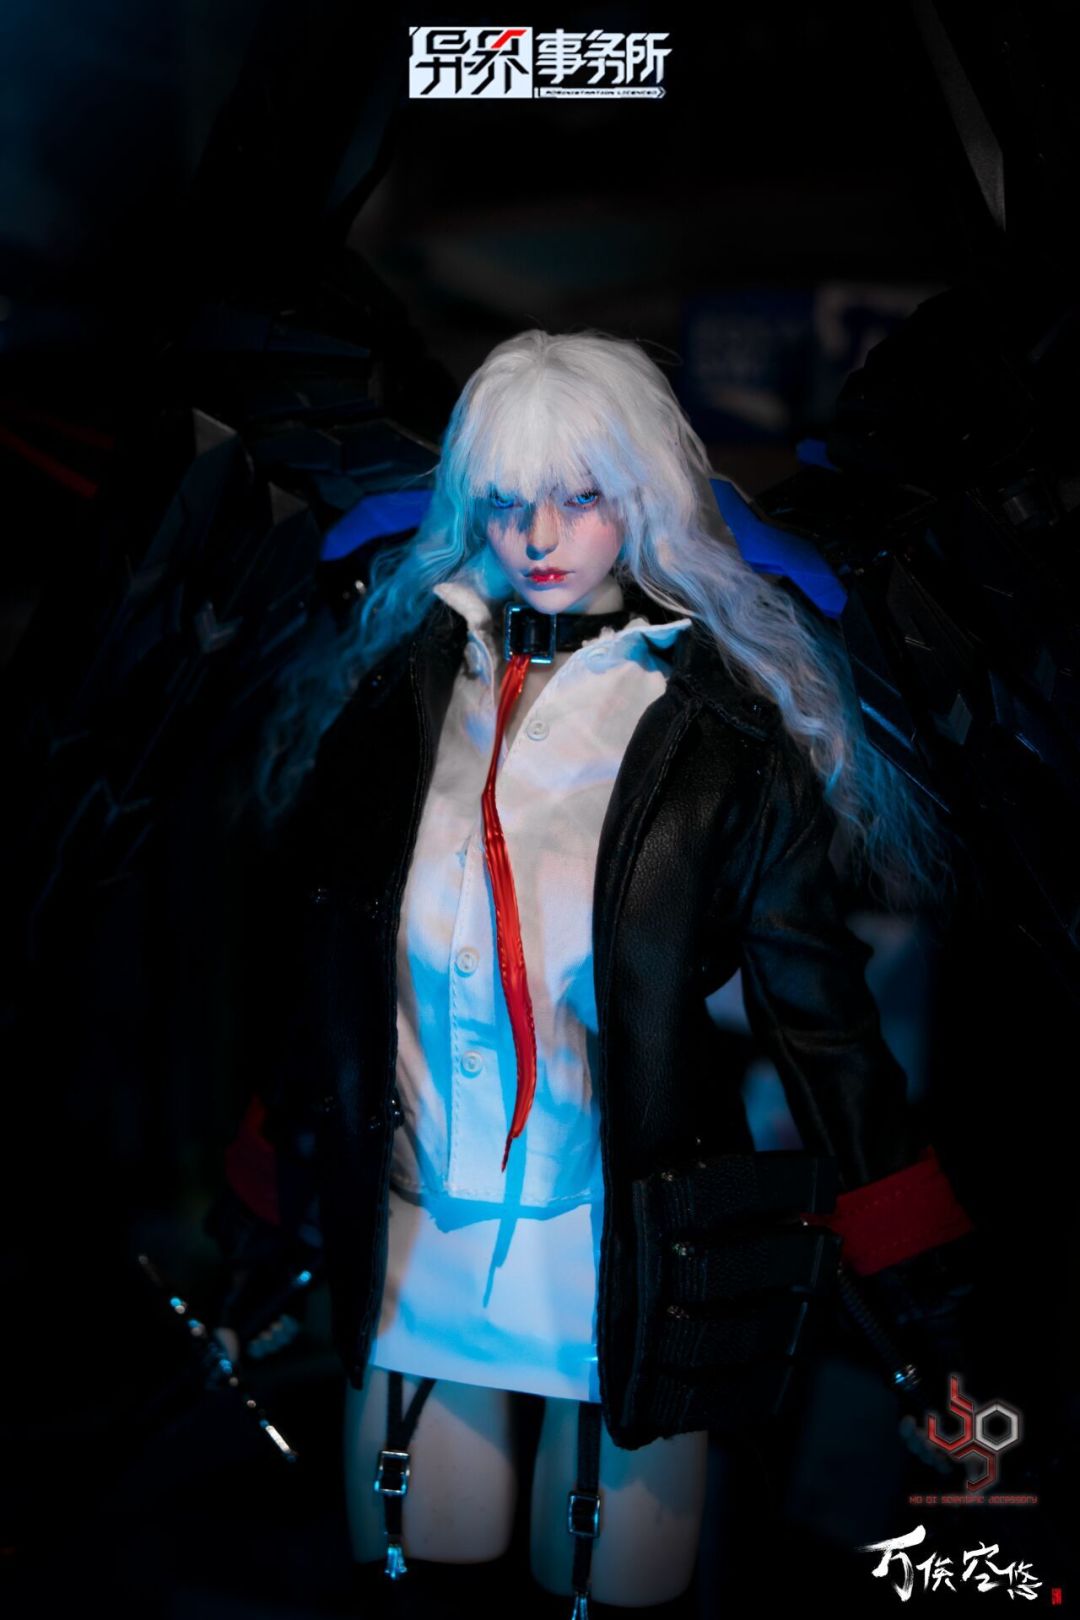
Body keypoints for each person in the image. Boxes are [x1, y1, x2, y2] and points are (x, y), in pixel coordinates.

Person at [207, 328, 975, 1618]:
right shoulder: (397, 709)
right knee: (417, 1575)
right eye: (508, 502)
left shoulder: (720, 739)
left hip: (624, 1248)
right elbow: (326, 995)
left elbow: (822, 1028)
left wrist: (920, 1289)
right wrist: (259, 1213)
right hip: (415, 1235)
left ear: (644, 498)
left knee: (611, 1587)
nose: (541, 537)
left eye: (579, 497)